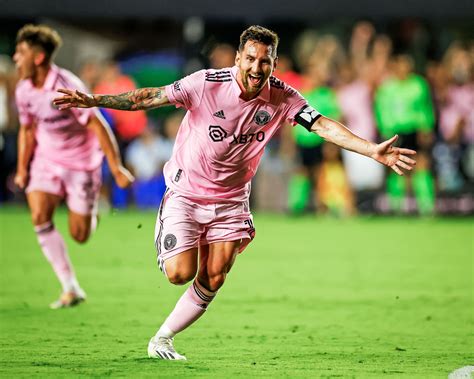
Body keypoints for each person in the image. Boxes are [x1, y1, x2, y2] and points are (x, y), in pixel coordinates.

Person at [53, 25, 416, 360]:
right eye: (252, 59)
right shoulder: (206, 83)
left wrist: (371, 150)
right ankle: (169, 233)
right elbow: (150, 97)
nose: (258, 68)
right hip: (186, 191)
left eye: (266, 61)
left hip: (231, 199)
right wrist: (94, 100)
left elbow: (320, 124)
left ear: (274, 64)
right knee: (180, 273)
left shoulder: (282, 96)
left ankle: (162, 338)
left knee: (215, 275)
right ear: (239, 58)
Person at [13, 24, 134, 309]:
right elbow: (27, 130)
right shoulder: (23, 90)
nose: (16, 59)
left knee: (80, 235)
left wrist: (116, 168)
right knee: (40, 215)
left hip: (81, 164)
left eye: (21, 53)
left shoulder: (67, 86)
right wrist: (22, 168)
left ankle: (91, 215)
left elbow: (97, 124)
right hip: (46, 160)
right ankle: (70, 287)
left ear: (39, 57)